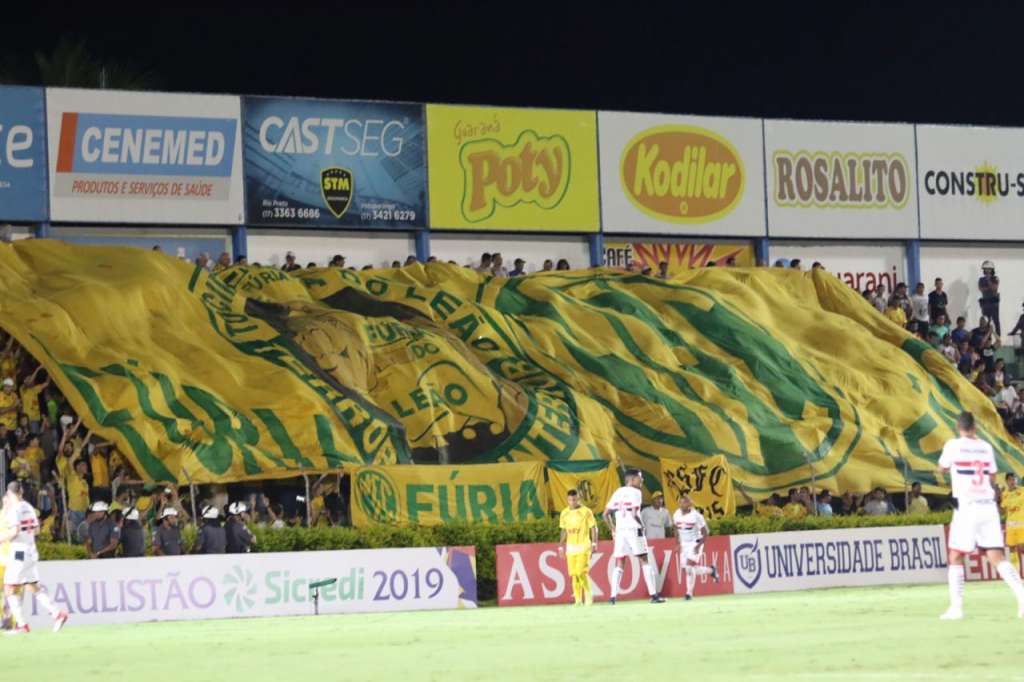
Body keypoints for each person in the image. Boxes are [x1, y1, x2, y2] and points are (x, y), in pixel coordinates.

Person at [939, 411, 1024, 619]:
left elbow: (941, 468)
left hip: (967, 507)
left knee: (956, 555)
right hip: (988, 506)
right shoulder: (986, 447)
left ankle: (956, 608)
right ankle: (1022, 598)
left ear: (958, 427)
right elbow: (992, 476)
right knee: (997, 557)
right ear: (974, 427)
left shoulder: (953, 445)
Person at [0, 482, 69, 633]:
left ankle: (21, 625)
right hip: (31, 550)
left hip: (19, 552)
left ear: (11, 494)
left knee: (9, 588)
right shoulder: (29, 507)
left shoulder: (14, 510)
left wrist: (2, 538)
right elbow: (37, 529)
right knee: (32, 586)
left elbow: (15, 531)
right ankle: (57, 614)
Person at [602, 469, 665, 604]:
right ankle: (654, 596)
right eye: (640, 478)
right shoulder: (636, 492)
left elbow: (605, 514)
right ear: (632, 479)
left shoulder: (618, 492)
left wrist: (613, 529)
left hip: (620, 532)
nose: (642, 480)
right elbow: (635, 514)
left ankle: (612, 597)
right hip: (634, 530)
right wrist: (642, 525)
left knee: (620, 562)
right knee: (644, 560)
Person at [672, 494, 719, 600]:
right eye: (680, 502)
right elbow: (675, 528)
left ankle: (689, 594)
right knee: (686, 569)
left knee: (689, 567)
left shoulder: (696, 516)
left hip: (695, 542)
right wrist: (677, 543)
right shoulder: (676, 514)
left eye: (684, 502)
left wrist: (698, 546)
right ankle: (711, 571)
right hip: (684, 543)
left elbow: (706, 532)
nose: (681, 504)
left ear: (690, 504)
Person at [558, 489, 598, 606]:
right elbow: (563, 530)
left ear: (578, 499)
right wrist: (561, 546)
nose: (572, 502)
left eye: (574, 499)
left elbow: (593, 527)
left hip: (584, 545)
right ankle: (578, 600)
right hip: (570, 547)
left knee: (581, 572)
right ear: (567, 500)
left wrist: (594, 543)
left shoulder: (586, 511)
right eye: (570, 500)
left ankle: (588, 595)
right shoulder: (564, 513)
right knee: (574, 574)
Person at [1001, 473, 1024, 572]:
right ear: (1006, 481)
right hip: (1010, 526)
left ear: (1017, 480)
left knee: (1023, 548)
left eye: (1014, 479)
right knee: (1011, 549)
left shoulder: (1022, 490)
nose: (1012, 481)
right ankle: (1016, 575)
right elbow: (1003, 510)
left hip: (1022, 524)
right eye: (1010, 480)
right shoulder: (1004, 494)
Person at [979, 260, 1001, 336]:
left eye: (989, 269)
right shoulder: (981, 279)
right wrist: (989, 287)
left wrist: (988, 280)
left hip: (994, 303)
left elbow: (994, 288)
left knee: (996, 321)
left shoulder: (995, 278)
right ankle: (987, 338)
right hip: (985, 303)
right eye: (985, 269)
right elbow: (981, 289)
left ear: (992, 270)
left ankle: (999, 339)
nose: (987, 270)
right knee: (986, 321)